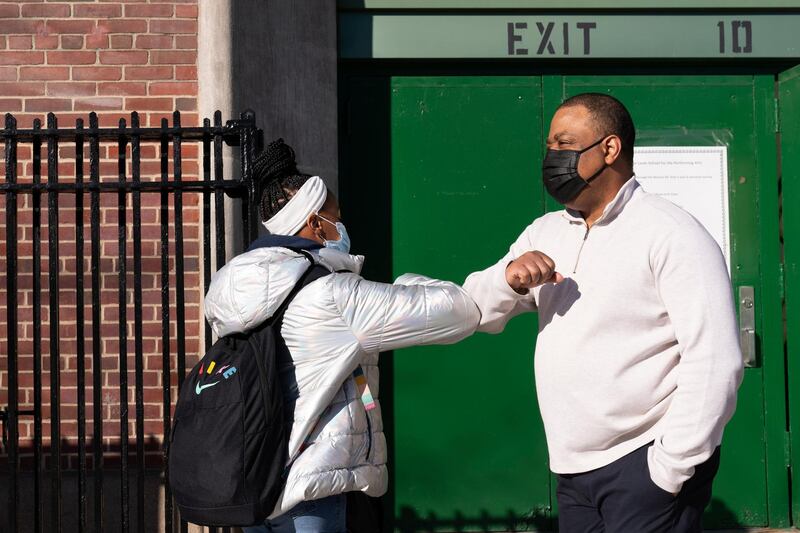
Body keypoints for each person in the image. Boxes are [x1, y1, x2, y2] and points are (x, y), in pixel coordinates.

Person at [463, 93, 743, 532]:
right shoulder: (546, 231)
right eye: (550, 146)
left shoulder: (670, 233)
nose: (552, 156)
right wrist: (509, 279)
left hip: (644, 464)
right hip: (572, 470)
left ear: (609, 149)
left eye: (564, 143)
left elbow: (716, 361)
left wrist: (668, 468)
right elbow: (477, 310)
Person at [203, 139, 479, 533]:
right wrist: (407, 283)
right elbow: (460, 312)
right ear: (316, 224)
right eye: (337, 216)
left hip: (256, 484)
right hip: (316, 490)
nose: (342, 226)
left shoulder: (230, 292)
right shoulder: (332, 293)